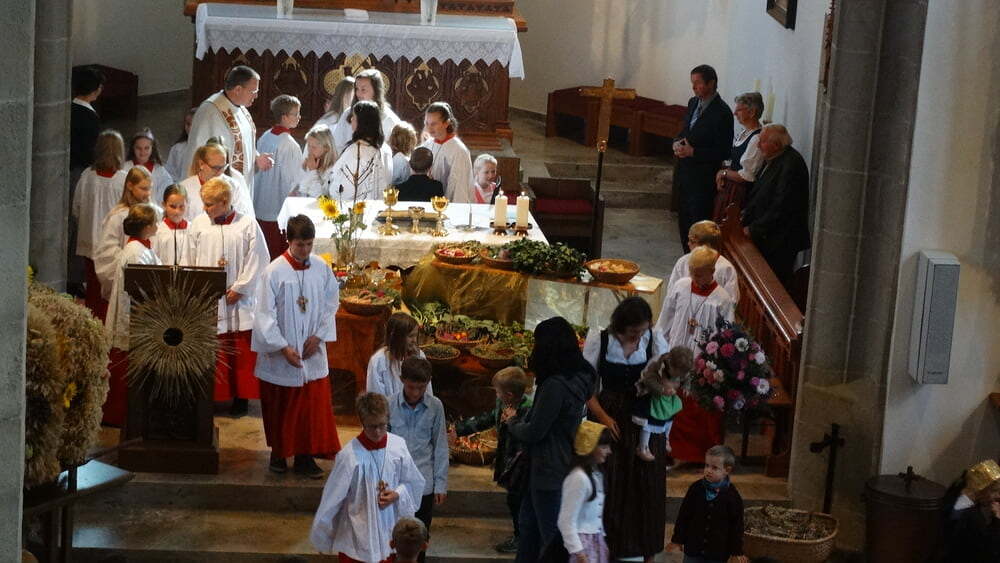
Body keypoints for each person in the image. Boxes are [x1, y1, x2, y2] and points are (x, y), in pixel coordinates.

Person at [252, 215, 341, 478]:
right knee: (281, 407)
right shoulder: (274, 271)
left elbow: (331, 303)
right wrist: (282, 347)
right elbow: (264, 314)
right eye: (300, 244)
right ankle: (279, 454)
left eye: (309, 244)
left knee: (309, 411)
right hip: (283, 354)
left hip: (311, 350)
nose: (305, 250)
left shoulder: (321, 268)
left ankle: (304, 457)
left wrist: (319, 336)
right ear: (289, 241)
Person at [583, 297, 668, 562]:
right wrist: (603, 417)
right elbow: (586, 387)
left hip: (644, 420)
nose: (638, 336)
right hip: (609, 417)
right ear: (621, 326)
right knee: (610, 482)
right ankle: (608, 548)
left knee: (647, 483)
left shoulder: (654, 341)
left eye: (642, 330)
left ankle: (647, 551)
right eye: (633, 331)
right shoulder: (600, 340)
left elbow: (667, 380)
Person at [509, 317, 597, 563]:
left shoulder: (555, 386)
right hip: (562, 462)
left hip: (547, 467)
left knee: (548, 537)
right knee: (529, 527)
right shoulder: (580, 378)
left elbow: (536, 431)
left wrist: (513, 423)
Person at [310, 392, 425, 562]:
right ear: (362, 422)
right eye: (371, 426)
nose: (378, 432)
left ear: (388, 419)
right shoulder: (349, 456)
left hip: (389, 528)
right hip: (358, 535)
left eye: (382, 425)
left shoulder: (398, 446)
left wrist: (397, 493)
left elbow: (413, 482)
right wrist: (323, 534)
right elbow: (333, 498)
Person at [187, 177, 269, 416]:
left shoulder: (248, 225)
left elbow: (259, 258)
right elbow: (188, 258)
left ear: (225, 202)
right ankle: (214, 397)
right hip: (208, 299)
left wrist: (241, 288)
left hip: (239, 300)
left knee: (240, 352)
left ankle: (241, 398)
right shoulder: (198, 224)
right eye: (204, 203)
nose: (205, 209)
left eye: (210, 204)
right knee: (214, 349)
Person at [656, 247, 735, 466]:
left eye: (699, 274)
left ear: (712, 271)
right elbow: (665, 318)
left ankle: (696, 455)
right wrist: (658, 345)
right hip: (676, 355)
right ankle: (670, 451)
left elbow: (726, 335)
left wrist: (715, 364)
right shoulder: (681, 286)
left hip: (702, 363)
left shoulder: (722, 299)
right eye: (692, 272)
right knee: (671, 405)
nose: (694, 278)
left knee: (695, 411)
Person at [450, 366, 534, 554]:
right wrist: (460, 429)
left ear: (509, 395)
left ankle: (522, 538)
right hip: (507, 461)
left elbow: (526, 437)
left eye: (497, 391)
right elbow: (487, 419)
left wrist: (512, 422)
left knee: (518, 501)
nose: (496, 395)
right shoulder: (502, 404)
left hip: (521, 465)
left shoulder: (528, 410)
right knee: (513, 500)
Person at [103, 203, 162, 427]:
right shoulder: (136, 252)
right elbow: (144, 286)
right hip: (133, 318)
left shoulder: (139, 248)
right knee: (126, 367)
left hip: (136, 315)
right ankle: (122, 416)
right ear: (146, 227)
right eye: (154, 222)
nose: (157, 225)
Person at [388, 357, 448, 563]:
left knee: (419, 537)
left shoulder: (435, 406)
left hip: (424, 484)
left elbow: (440, 445)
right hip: (396, 483)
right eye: (411, 387)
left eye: (421, 388)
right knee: (394, 536)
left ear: (428, 382)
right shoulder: (389, 404)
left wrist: (441, 483)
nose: (415, 393)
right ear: (401, 380)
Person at [672, 64, 734, 253]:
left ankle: (699, 261)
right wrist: (676, 143)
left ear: (711, 83)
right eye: (692, 82)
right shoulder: (693, 103)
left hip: (702, 180)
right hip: (684, 174)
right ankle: (687, 259)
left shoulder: (722, 112)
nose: (693, 87)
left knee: (697, 226)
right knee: (684, 224)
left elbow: (724, 151)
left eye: (698, 83)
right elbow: (685, 130)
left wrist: (694, 152)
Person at [184, 65, 274, 195]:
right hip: (215, 191)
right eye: (253, 91)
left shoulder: (240, 108)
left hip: (239, 187)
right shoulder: (210, 112)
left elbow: (241, 143)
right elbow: (198, 153)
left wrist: (256, 157)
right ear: (238, 90)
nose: (256, 96)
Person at [740, 124, 811, 286]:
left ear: (777, 145)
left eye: (762, 141)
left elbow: (781, 207)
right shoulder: (775, 158)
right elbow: (761, 193)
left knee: (773, 283)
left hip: (779, 240)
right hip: (768, 235)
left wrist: (753, 229)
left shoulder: (791, 165)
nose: (758, 145)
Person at [72, 130, 127, 318]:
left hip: (90, 242)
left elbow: (76, 208)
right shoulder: (123, 180)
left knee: (93, 289)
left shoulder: (87, 176)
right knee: (112, 290)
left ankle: (93, 325)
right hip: (113, 244)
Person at [667, 445, 747, 563]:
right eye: (707, 465)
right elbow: (684, 516)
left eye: (714, 468)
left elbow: (736, 526)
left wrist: (736, 551)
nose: (708, 470)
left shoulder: (732, 496)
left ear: (727, 470)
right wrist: (677, 540)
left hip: (717, 552)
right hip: (693, 548)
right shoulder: (696, 488)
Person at [94, 167, 160, 307]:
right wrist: (131, 259)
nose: (148, 193)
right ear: (130, 186)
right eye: (143, 188)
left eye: (150, 188)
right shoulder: (118, 216)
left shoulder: (155, 213)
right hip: (130, 276)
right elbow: (106, 252)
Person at [254, 95, 305, 260]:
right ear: (284, 117)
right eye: (295, 114)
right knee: (278, 256)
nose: (299, 117)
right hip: (278, 207)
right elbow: (293, 180)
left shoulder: (266, 135)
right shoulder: (289, 144)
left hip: (260, 201)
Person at [555, 420, 613, 563]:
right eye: (604, 446)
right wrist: (579, 553)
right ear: (589, 448)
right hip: (581, 545)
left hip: (594, 540)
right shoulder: (578, 478)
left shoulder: (596, 474)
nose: (609, 451)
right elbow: (566, 520)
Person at [632, 347, 691, 462]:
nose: (678, 376)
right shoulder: (658, 366)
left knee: (670, 417)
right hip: (653, 398)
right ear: (671, 365)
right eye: (676, 373)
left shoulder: (683, 370)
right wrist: (662, 390)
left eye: (680, 375)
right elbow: (648, 380)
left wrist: (686, 387)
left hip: (668, 399)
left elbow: (687, 378)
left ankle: (666, 439)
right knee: (648, 422)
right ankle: (643, 447)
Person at [330, 100, 393, 202]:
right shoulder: (384, 149)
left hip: (354, 207)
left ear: (363, 122)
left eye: (354, 117)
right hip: (375, 206)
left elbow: (344, 190)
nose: (351, 119)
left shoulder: (354, 152)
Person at [940, 459, 1000, 563]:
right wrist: (997, 520)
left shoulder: (956, 495)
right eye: (994, 491)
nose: (998, 496)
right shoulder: (973, 517)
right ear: (981, 488)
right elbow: (988, 553)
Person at [667, 220, 739, 302]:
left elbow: (731, 300)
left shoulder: (726, 268)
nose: (688, 244)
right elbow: (671, 292)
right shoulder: (683, 262)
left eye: (692, 241)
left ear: (706, 246)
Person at [181, 142, 255, 220]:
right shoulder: (185, 188)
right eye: (215, 168)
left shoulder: (233, 186)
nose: (220, 172)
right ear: (201, 164)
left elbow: (245, 216)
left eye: (223, 167)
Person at [332, 69, 400, 151]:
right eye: (357, 89)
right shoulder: (348, 114)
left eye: (363, 90)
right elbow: (336, 145)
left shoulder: (389, 119)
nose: (358, 94)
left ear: (376, 91)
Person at [419, 102, 474, 203]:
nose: (429, 128)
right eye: (426, 123)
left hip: (449, 206)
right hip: (429, 202)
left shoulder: (458, 151)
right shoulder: (427, 145)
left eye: (433, 124)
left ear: (446, 123)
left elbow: (460, 188)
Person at [367, 312, 431, 397]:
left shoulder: (420, 356)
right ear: (397, 337)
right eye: (411, 336)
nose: (414, 340)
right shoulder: (378, 361)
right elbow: (375, 398)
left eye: (416, 335)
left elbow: (427, 392)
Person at [716, 92, 765, 195]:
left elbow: (746, 176)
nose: (734, 113)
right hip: (731, 187)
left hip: (741, 192)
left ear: (752, 112)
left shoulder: (756, 139)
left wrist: (723, 173)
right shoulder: (745, 133)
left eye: (739, 110)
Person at [70, 66, 105, 174]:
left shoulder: (68, 108)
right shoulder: (90, 117)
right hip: (82, 169)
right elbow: (90, 149)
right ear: (96, 90)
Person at [125, 128, 174, 203]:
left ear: (152, 148)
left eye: (146, 148)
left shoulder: (160, 171)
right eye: (138, 148)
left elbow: (165, 195)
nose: (142, 152)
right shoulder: (125, 169)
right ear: (133, 148)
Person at [152, 184, 191, 266]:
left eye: (181, 206)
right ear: (164, 205)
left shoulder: (192, 229)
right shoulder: (157, 230)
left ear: (187, 204)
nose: (177, 211)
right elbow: (153, 260)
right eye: (173, 206)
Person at [296, 125, 339, 198]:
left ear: (326, 148)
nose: (309, 150)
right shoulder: (308, 163)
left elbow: (322, 198)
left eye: (314, 147)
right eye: (308, 145)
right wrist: (303, 171)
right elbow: (300, 190)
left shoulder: (333, 170)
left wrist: (312, 172)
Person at [165, 108, 197, 182]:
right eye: (188, 124)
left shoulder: (207, 148)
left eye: (194, 125)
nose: (190, 128)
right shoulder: (177, 148)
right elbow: (169, 172)